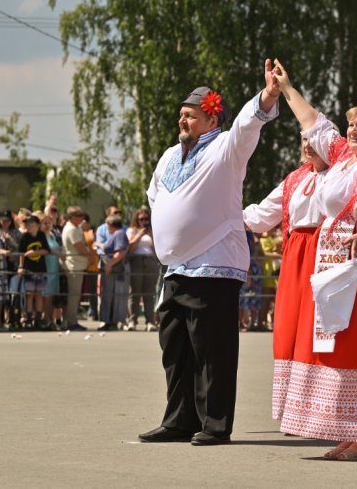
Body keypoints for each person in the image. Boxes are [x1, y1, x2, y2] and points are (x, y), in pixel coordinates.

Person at [139, 61, 280, 446]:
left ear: (211, 117)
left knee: (212, 351)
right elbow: (156, 196)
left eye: (190, 115)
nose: (182, 121)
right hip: (175, 268)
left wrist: (268, 94)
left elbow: (251, 124)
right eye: (181, 115)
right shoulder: (169, 155)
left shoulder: (226, 148)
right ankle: (179, 420)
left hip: (214, 264)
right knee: (175, 349)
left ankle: (215, 424)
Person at [270, 60, 357, 461]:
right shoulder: (344, 156)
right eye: (352, 125)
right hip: (341, 256)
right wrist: (286, 87)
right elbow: (314, 122)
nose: (354, 131)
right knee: (339, 340)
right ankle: (350, 429)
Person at [243, 137, 328, 421]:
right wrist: (225, 211)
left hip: (328, 250)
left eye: (315, 138)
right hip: (296, 254)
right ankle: (295, 408)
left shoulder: (343, 171)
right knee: (290, 326)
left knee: (321, 329)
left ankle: (324, 407)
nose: (308, 144)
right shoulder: (294, 179)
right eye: (304, 138)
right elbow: (261, 216)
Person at [126, 208, 160, 331]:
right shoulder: (132, 230)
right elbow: (130, 247)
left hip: (150, 261)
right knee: (135, 293)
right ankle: (132, 321)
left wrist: (151, 234)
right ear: (137, 220)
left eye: (146, 219)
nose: (144, 222)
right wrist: (140, 234)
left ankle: (150, 321)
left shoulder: (153, 231)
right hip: (136, 261)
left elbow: (158, 249)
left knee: (149, 294)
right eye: (141, 219)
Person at [61, 207, 91, 331]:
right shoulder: (71, 229)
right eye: (79, 216)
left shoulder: (76, 228)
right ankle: (71, 322)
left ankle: (71, 320)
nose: (81, 218)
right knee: (74, 296)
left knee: (76, 295)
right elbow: (79, 247)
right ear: (72, 217)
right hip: (74, 265)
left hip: (78, 265)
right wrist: (90, 254)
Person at [99, 214, 130, 331]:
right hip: (115, 269)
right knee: (109, 295)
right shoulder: (118, 234)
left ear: (111, 225)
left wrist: (109, 264)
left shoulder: (119, 234)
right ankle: (109, 320)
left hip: (116, 270)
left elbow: (120, 252)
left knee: (115, 295)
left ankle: (113, 321)